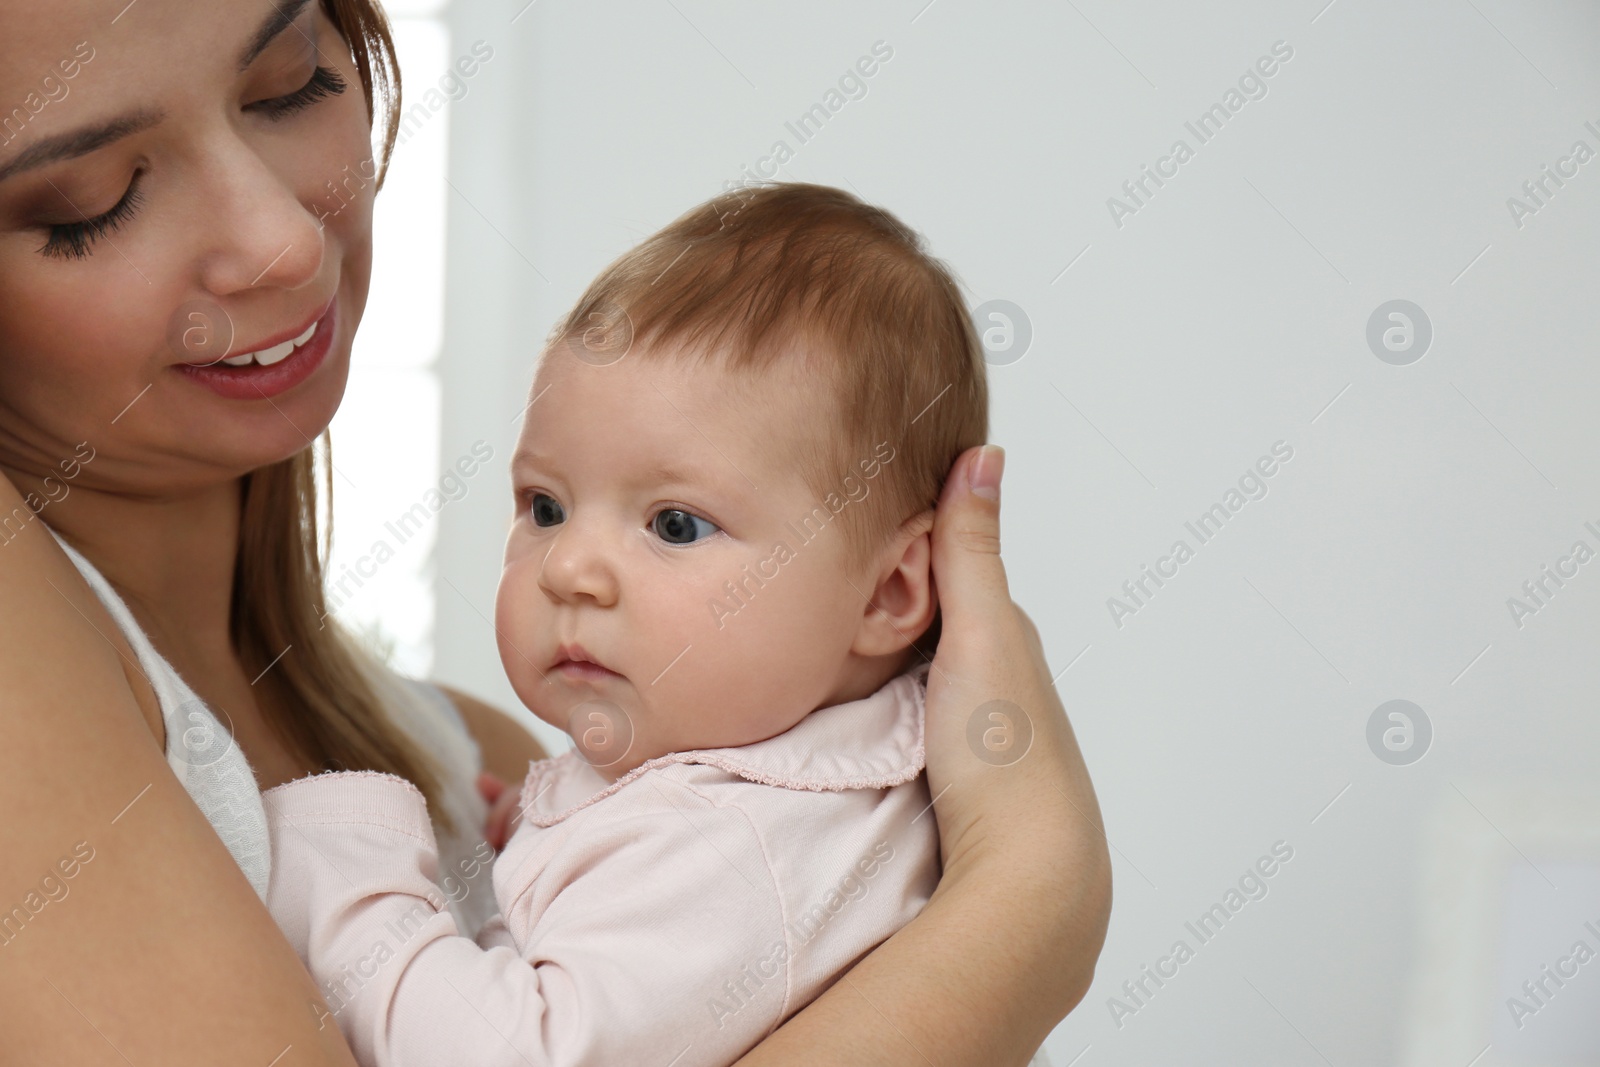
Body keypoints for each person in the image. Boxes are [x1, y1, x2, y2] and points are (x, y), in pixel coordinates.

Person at [0, 2, 1111, 1064]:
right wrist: (1030, 898)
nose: (285, 243)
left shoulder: (502, 758)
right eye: (92, 200)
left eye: (295, 84)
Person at [264, 182, 999, 1066]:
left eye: (674, 525)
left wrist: (351, 867)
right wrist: (561, 847)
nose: (569, 568)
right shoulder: (785, 814)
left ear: (886, 596)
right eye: (544, 506)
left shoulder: (729, 849)